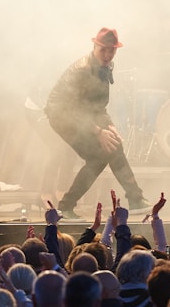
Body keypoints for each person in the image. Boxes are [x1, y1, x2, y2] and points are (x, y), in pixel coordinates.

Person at [45, 27, 147, 219]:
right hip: (62, 116)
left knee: (113, 145)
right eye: (104, 50)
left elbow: (98, 106)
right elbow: (71, 109)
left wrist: (109, 127)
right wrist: (98, 131)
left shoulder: (103, 68)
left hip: (81, 116)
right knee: (98, 157)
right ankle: (66, 207)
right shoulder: (83, 71)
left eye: (112, 50)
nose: (108, 55)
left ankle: (135, 199)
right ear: (95, 46)